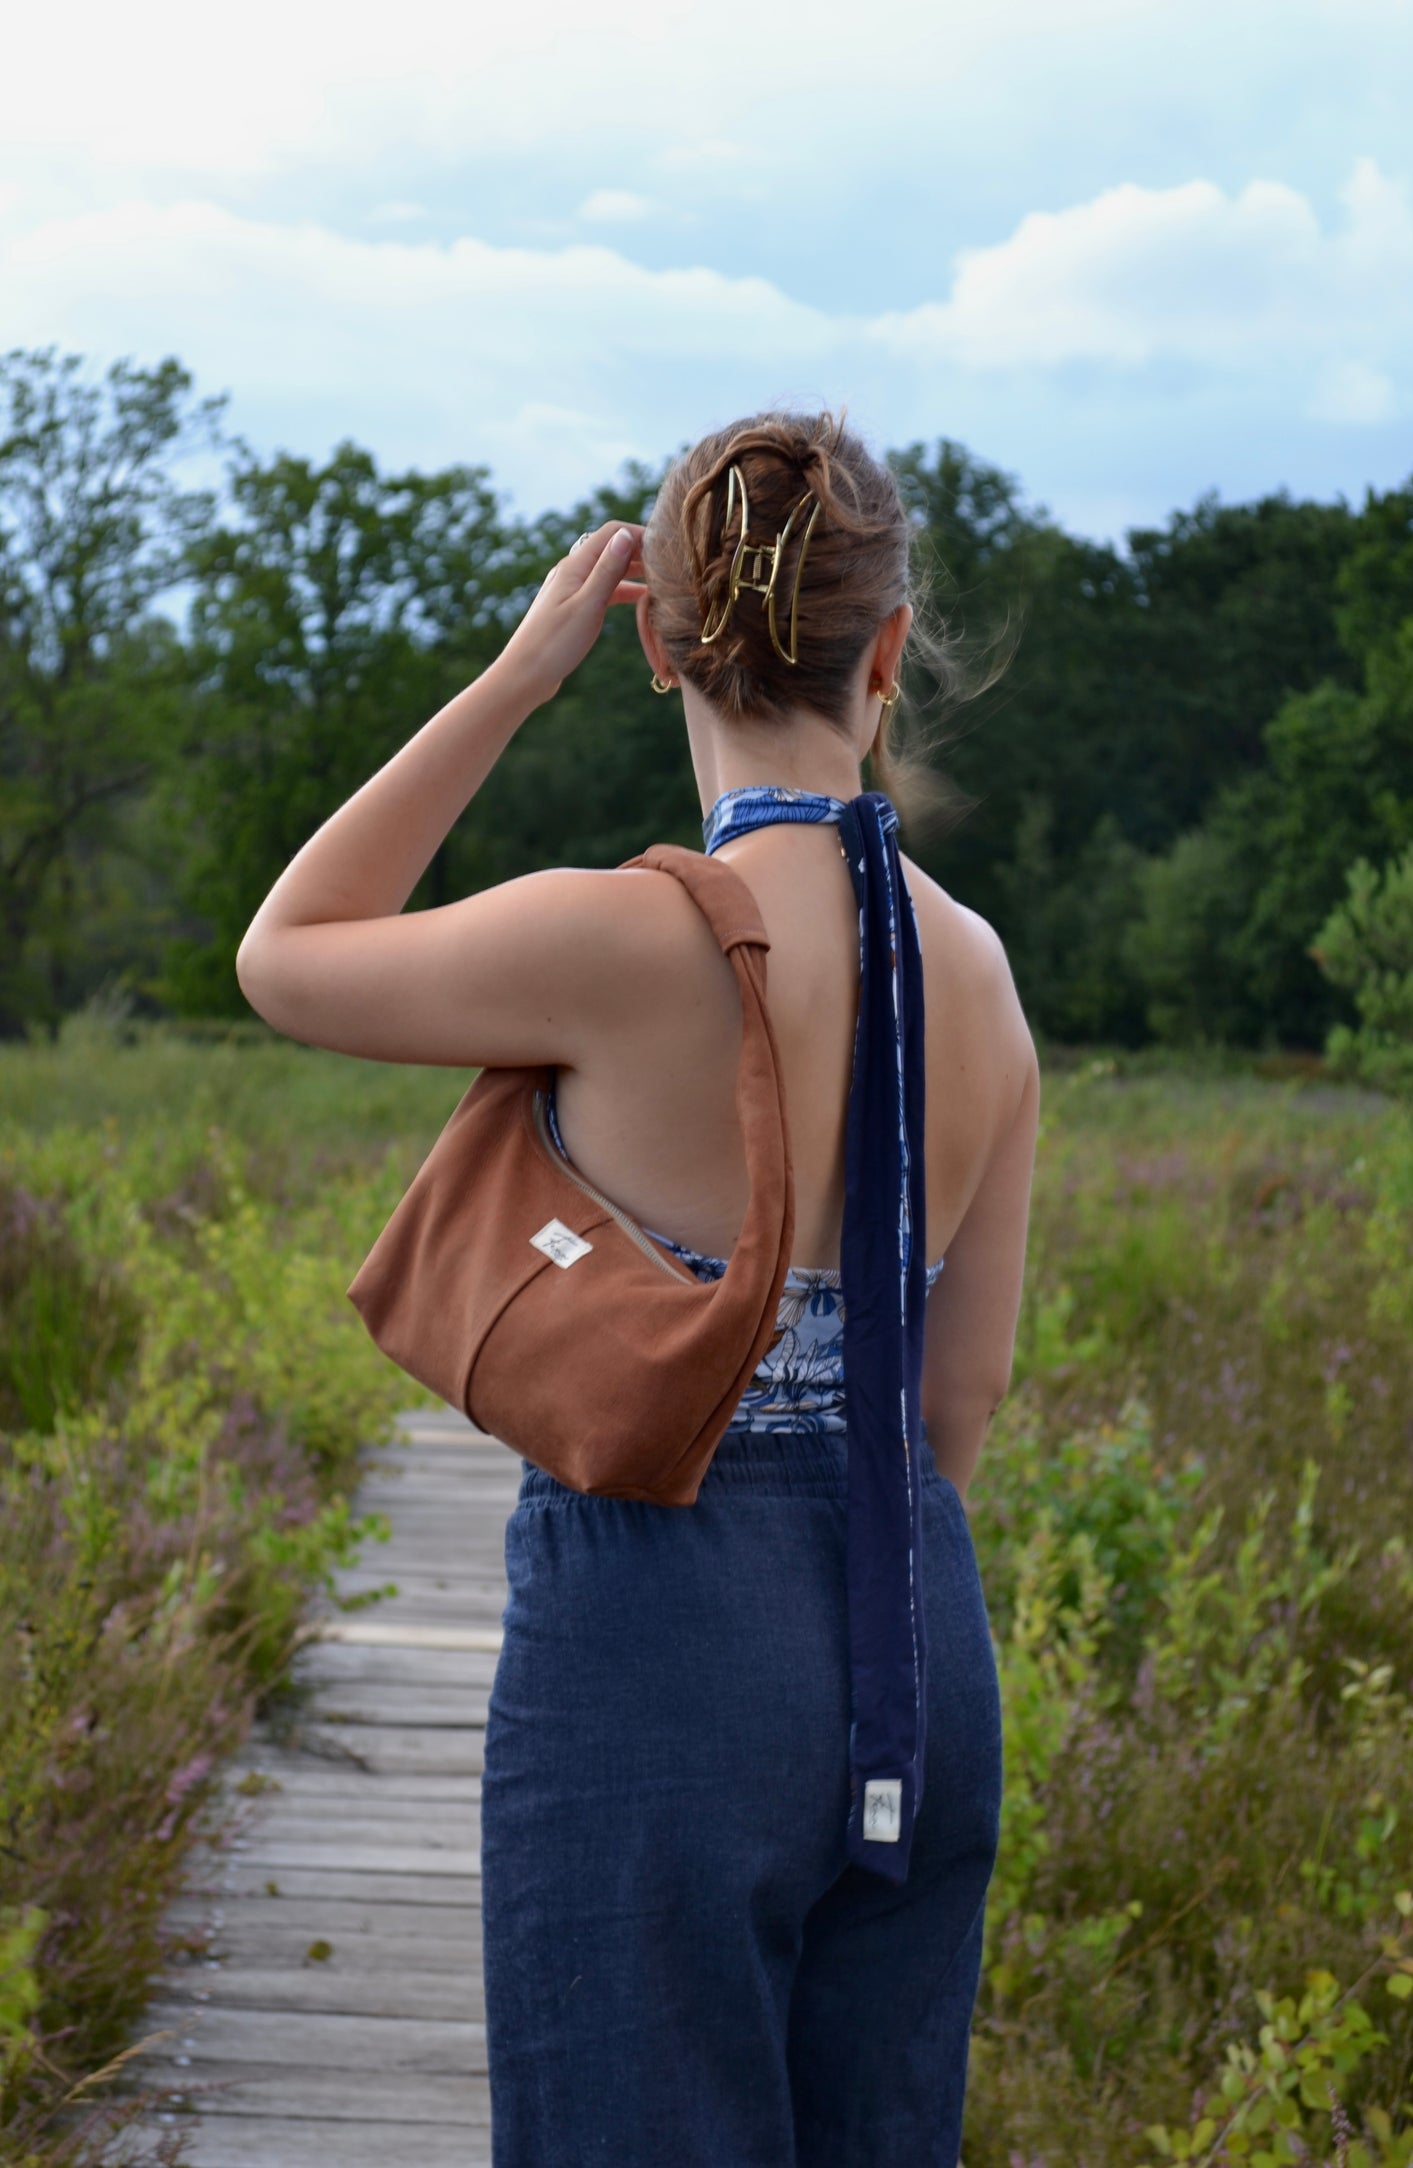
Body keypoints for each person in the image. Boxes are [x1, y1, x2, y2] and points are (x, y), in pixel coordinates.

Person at [236, 410, 1038, 2167]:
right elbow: (955, 1406)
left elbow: (286, 955)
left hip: (663, 1629)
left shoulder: (626, 935)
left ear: (660, 641)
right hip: (913, 1629)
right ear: (890, 649)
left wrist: (516, 677)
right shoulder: (975, 972)